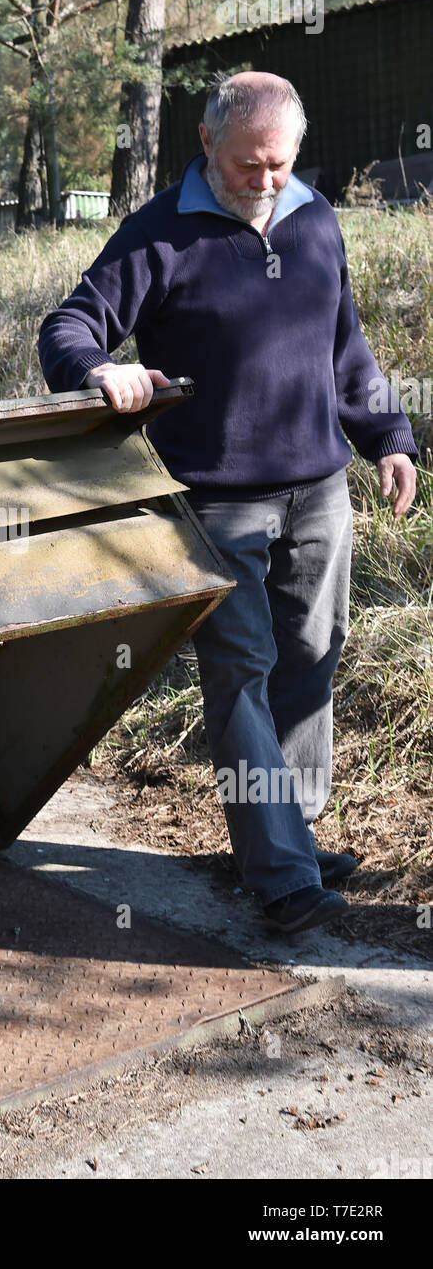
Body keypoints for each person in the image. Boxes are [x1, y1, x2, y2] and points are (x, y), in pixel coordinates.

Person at [37, 70, 418, 934]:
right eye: (247, 163)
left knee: (313, 653)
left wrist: (388, 435)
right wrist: (100, 370)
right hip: (214, 502)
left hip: (317, 489)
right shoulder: (157, 235)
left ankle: (291, 831)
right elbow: (68, 326)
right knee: (239, 674)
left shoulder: (314, 217)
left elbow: (344, 345)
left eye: (279, 164)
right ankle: (281, 877)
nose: (265, 181)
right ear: (206, 144)